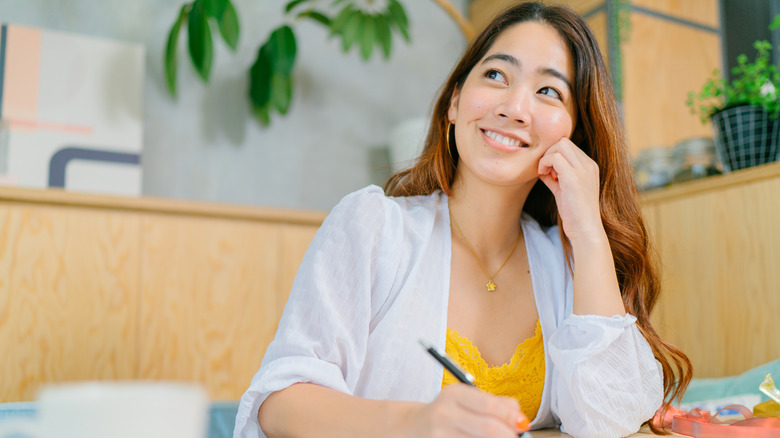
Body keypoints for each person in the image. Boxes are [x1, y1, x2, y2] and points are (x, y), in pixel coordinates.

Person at [234, 2, 692, 437]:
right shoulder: (372, 226)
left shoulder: (569, 262)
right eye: (495, 74)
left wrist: (589, 233)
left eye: (548, 90)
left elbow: (614, 419)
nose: (515, 107)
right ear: (455, 103)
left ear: (576, 133)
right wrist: (412, 426)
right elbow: (279, 403)